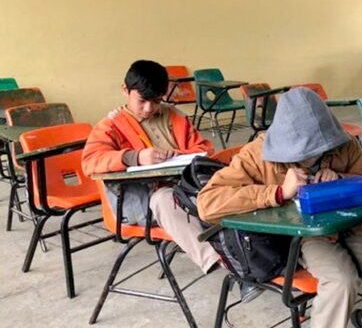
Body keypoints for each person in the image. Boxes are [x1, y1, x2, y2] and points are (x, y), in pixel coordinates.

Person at [197, 87, 362, 328]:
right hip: (306, 235)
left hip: (355, 224)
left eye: (320, 149)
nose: (312, 158)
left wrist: (342, 179)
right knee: (341, 282)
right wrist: (278, 192)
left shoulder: (344, 143)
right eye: (303, 153)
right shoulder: (257, 154)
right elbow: (207, 203)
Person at [81, 60, 262, 302]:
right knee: (165, 199)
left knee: (228, 190)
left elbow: (204, 149)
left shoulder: (174, 116)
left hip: (186, 190)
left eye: (156, 101)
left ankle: (262, 255)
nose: (149, 108)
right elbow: (90, 162)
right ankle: (232, 269)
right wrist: (135, 157)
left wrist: (180, 155)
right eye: (142, 101)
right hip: (142, 202)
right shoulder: (111, 126)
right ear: (125, 90)